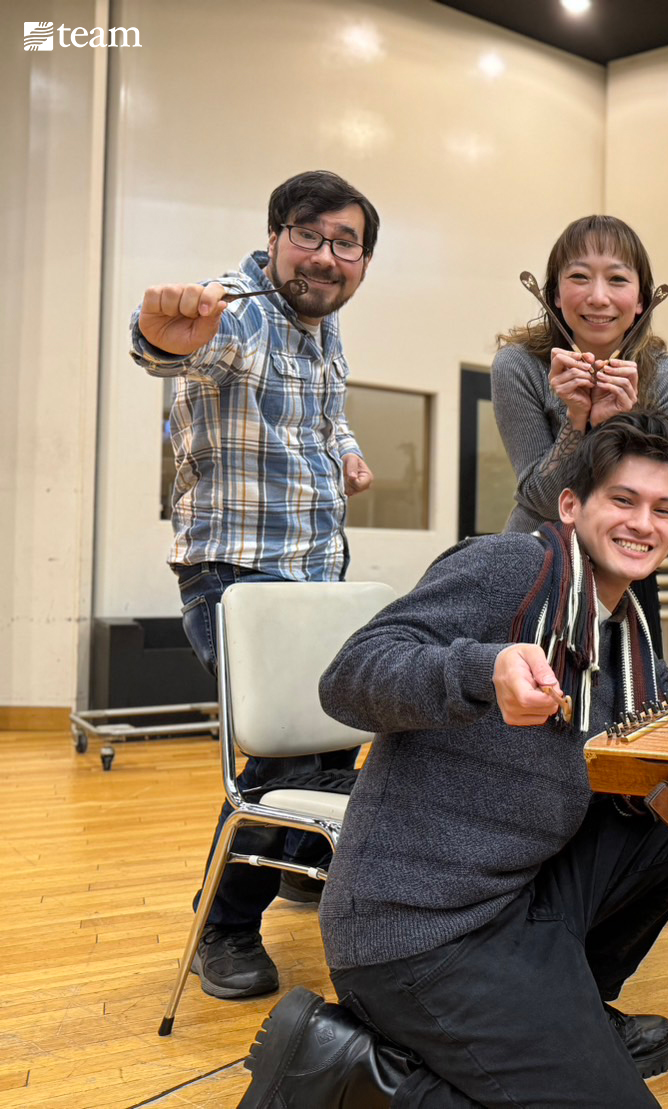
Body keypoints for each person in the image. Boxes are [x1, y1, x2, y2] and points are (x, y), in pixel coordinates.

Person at [234, 410, 668, 1109]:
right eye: (623, 500)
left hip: (520, 898)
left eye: (662, 509)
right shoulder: (513, 566)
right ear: (570, 505)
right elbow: (349, 675)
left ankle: (567, 1001)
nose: (643, 522)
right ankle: (347, 1072)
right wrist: (480, 670)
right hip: (418, 932)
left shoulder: (625, 632)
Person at [130, 169, 380, 1001]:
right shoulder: (234, 308)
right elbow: (176, 344)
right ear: (274, 236)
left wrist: (343, 449)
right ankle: (226, 927)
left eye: (346, 243)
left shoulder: (324, 330)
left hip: (315, 576)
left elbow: (329, 408)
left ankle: (298, 858)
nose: (326, 256)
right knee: (286, 750)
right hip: (235, 582)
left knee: (343, 721)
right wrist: (161, 332)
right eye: (309, 235)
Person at [492, 214, 668, 656]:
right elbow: (546, 502)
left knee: (635, 708)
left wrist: (615, 424)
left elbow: (649, 499)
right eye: (579, 277)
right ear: (554, 294)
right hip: (533, 563)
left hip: (625, 569)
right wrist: (578, 415)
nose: (598, 297)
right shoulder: (519, 367)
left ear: (642, 299)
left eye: (618, 279)